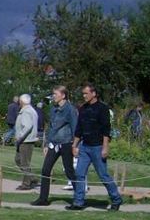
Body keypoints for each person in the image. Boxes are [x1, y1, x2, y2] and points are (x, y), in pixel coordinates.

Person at [66, 83, 123, 211]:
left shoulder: (103, 109)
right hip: (85, 146)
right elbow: (79, 129)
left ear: (94, 93)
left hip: (98, 147)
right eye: (83, 94)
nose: (84, 96)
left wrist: (105, 147)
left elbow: (106, 130)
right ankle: (78, 202)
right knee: (79, 174)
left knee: (103, 175)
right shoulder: (83, 109)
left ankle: (116, 199)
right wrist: (74, 145)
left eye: (86, 93)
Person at [31, 86, 78, 206]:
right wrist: (47, 143)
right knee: (45, 169)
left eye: (56, 94)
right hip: (54, 143)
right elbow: (51, 127)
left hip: (66, 143)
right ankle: (43, 198)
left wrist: (75, 145)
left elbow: (75, 128)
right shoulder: (53, 109)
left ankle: (79, 197)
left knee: (69, 171)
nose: (53, 96)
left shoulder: (70, 110)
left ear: (63, 95)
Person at [13, 93, 40, 190]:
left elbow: (27, 126)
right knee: (19, 160)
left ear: (21, 101)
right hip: (26, 140)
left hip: (26, 141)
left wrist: (19, 137)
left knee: (24, 162)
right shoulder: (31, 110)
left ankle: (26, 183)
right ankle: (32, 178)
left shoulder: (26, 112)